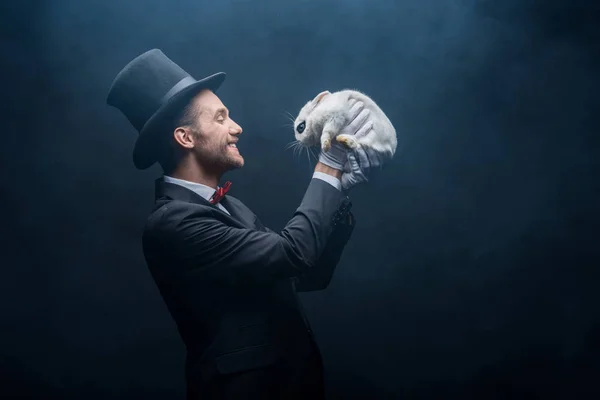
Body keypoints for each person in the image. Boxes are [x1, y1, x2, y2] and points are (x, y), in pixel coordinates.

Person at [106, 49, 373, 399]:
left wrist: (338, 191)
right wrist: (329, 165)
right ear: (185, 138)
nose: (236, 127)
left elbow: (306, 274)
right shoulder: (173, 223)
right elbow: (294, 253)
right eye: (220, 118)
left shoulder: (230, 207)